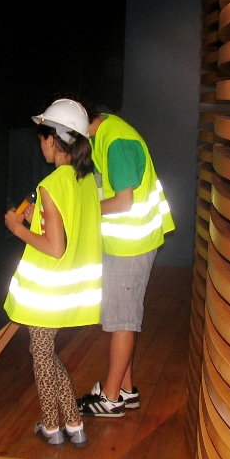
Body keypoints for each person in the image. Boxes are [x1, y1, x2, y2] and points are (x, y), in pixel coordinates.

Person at [3, 99, 103, 448]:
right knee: (43, 352)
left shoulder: (51, 185)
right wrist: (38, 221)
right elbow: (66, 229)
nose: (40, 143)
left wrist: (18, 228)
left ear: (53, 140)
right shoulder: (84, 180)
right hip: (70, 287)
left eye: (41, 136)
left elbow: (54, 247)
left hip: (48, 288)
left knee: (41, 354)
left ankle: (54, 425)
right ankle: (72, 424)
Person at [77, 111, 174, 417]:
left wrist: (84, 212)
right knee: (123, 317)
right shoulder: (105, 132)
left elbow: (123, 202)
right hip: (128, 243)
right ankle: (125, 390)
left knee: (122, 321)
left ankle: (111, 398)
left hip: (131, 245)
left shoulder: (115, 141)